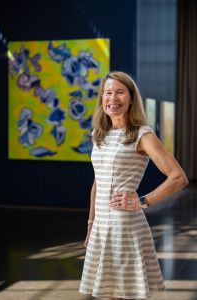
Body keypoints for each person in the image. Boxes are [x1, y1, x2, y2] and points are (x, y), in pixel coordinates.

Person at [79, 71, 188, 300]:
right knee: (109, 293)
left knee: (122, 293)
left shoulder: (142, 134)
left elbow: (178, 177)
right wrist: (91, 223)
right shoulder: (99, 135)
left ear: (131, 99)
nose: (113, 98)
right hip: (101, 225)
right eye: (108, 93)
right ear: (102, 99)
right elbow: (97, 182)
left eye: (120, 92)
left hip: (124, 225)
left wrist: (142, 201)